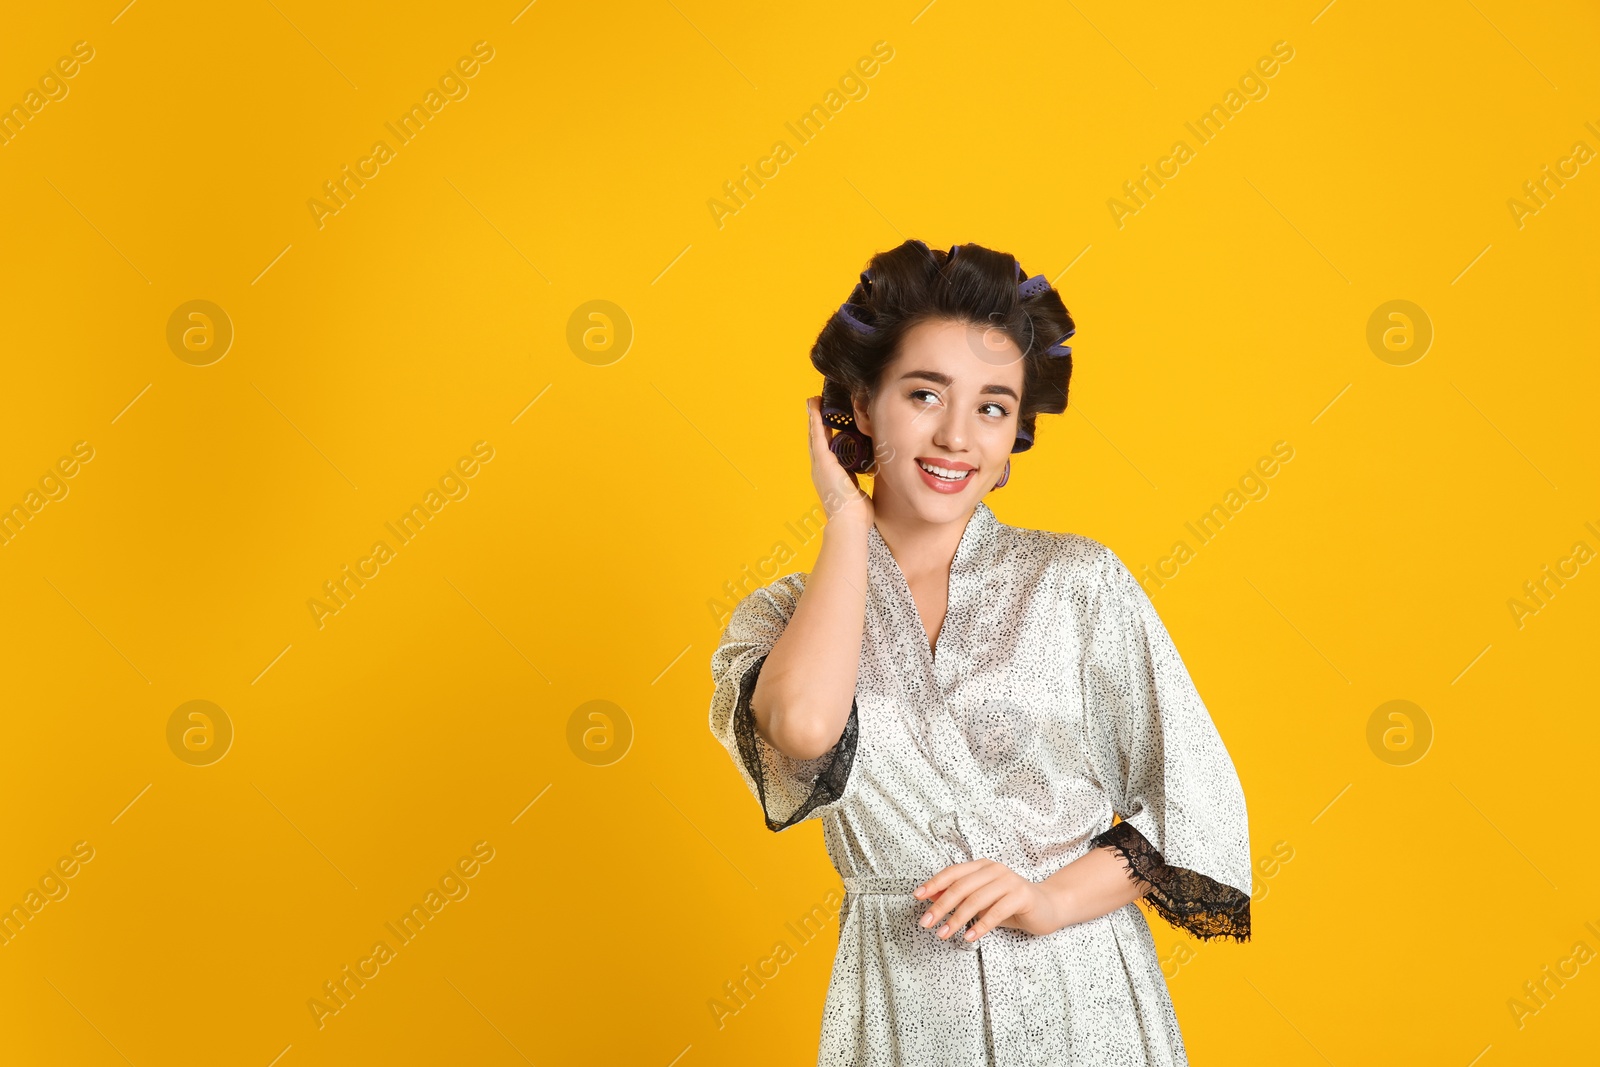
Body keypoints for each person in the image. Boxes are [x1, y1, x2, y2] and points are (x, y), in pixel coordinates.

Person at [707, 239, 1251, 1066]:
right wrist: (846, 522)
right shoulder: (781, 615)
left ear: (1014, 437)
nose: (957, 435)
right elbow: (805, 727)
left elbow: (1194, 801)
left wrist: (1047, 897)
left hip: (1082, 994)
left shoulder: (1079, 583)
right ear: (860, 401)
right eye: (924, 394)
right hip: (900, 999)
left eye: (993, 407)